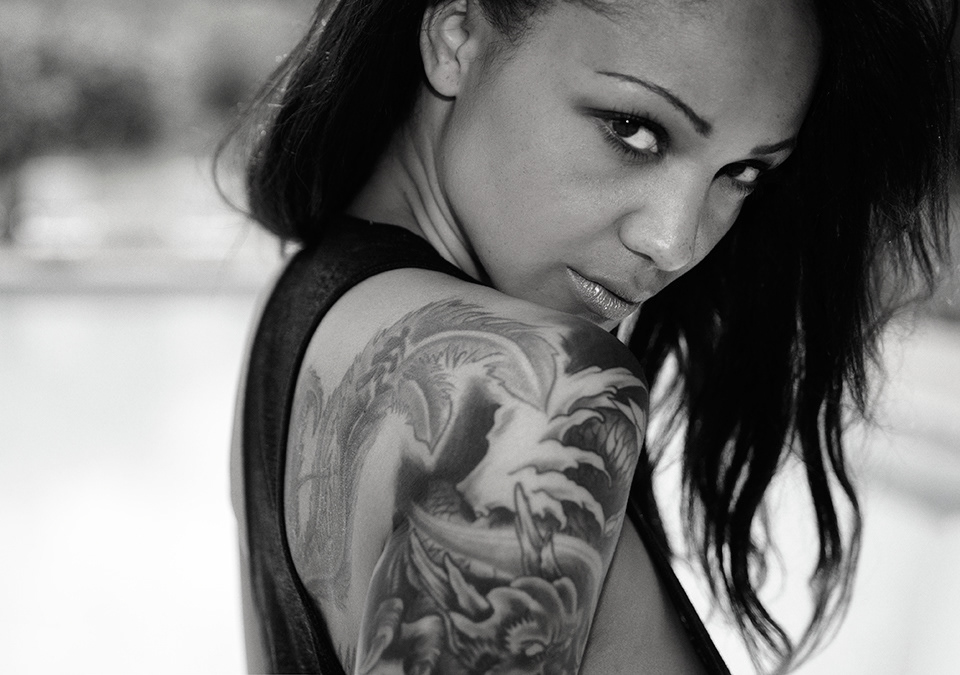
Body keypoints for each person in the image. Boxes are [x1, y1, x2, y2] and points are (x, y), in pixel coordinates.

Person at [225, 0, 957, 672]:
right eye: (633, 129)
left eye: (742, 172)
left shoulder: (316, 301)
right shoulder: (527, 395)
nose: (674, 242)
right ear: (457, 34)